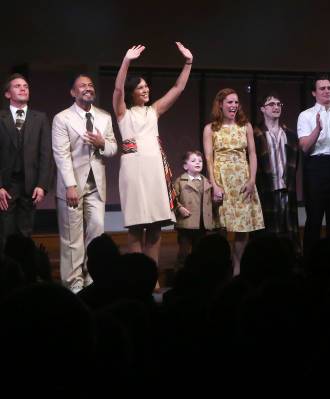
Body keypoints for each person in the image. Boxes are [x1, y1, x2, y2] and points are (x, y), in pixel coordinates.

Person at [112, 42, 193, 264]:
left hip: (155, 169)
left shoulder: (153, 111)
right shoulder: (123, 113)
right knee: (137, 227)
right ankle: (136, 273)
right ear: (132, 93)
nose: (146, 89)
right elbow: (118, 89)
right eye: (140, 87)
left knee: (156, 226)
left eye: (146, 86)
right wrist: (126, 61)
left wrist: (188, 63)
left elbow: (178, 89)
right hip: (134, 170)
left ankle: (152, 274)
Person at [52, 74, 118, 293]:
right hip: (72, 185)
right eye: (82, 86)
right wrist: (70, 185)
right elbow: (61, 155)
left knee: (96, 233)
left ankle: (91, 278)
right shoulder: (62, 118)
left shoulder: (104, 116)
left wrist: (101, 143)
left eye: (90, 85)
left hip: (96, 185)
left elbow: (113, 148)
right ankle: (73, 284)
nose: (88, 88)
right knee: (72, 238)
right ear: (73, 92)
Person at [203, 88, 264, 274]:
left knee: (242, 228)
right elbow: (208, 158)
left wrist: (252, 179)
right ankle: (223, 267)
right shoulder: (211, 128)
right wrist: (214, 184)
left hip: (242, 180)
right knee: (221, 226)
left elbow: (252, 154)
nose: (234, 105)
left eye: (236, 102)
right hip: (222, 180)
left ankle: (238, 268)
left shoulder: (245, 127)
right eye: (230, 102)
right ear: (220, 104)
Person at [297, 75, 330, 255]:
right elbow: (304, 147)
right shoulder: (306, 115)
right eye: (322, 88)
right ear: (314, 93)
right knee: (314, 218)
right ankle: (309, 262)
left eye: (329, 88)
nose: (327, 91)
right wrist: (318, 129)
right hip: (315, 167)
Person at [0, 74, 54, 251]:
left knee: (26, 233)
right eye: (17, 86)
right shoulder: (1, 117)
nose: (23, 88)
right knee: (5, 234)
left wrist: (41, 184)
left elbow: (45, 154)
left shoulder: (40, 118)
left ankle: (26, 275)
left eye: (25, 86)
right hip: (6, 186)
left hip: (30, 186)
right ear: (8, 94)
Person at [253, 92, 300, 252]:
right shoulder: (255, 134)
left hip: (287, 189)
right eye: (271, 104)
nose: (276, 107)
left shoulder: (291, 135)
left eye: (278, 104)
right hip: (265, 189)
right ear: (262, 109)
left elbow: (294, 164)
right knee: (266, 231)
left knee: (288, 230)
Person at [173, 150, 214, 269]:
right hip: (186, 223)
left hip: (202, 224)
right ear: (185, 166)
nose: (198, 162)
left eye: (200, 161)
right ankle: (180, 273)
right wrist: (179, 208)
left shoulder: (207, 181)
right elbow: (172, 198)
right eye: (193, 160)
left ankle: (197, 274)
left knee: (199, 252)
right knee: (184, 252)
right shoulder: (180, 181)